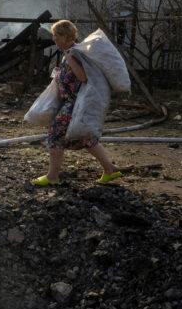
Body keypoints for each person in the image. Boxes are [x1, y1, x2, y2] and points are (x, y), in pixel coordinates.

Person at [31, 20, 122, 186]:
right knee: (84, 138)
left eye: (56, 35)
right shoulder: (72, 52)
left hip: (73, 105)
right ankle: (110, 169)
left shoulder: (73, 53)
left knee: (54, 135)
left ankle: (52, 177)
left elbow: (82, 77)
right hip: (71, 103)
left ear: (65, 36)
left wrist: (69, 59)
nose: (54, 39)